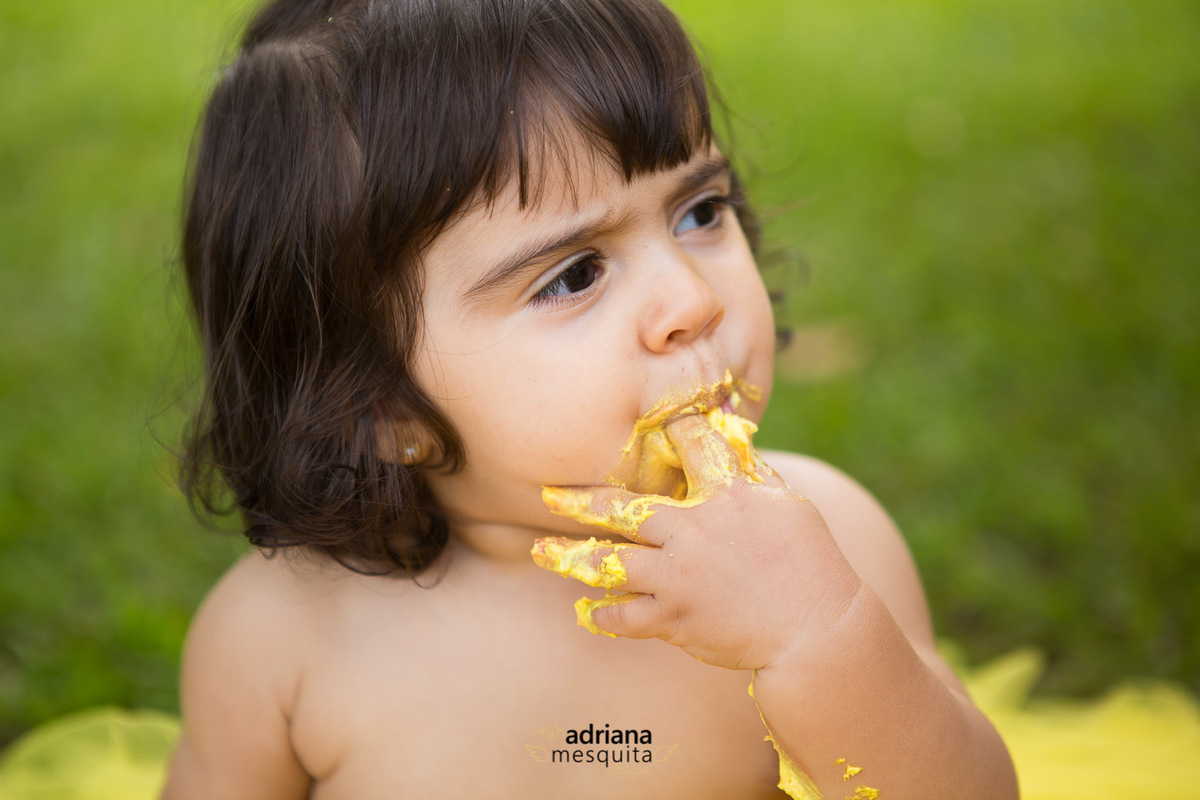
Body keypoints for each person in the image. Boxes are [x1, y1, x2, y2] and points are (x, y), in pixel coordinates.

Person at [160, 0, 1019, 797]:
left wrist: (820, 636)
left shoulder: (827, 544)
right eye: (574, 274)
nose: (693, 299)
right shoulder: (280, 639)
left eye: (699, 211)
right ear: (386, 411)